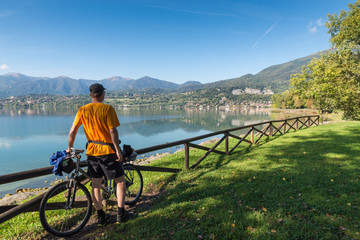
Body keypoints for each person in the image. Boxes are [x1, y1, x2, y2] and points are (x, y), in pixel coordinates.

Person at [67, 83, 132, 225]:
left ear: (91, 95)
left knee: (95, 184)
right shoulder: (107, 109)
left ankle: (101, 216)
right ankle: (121, 214)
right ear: (102, 94)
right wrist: (117, 149)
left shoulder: (82, 110)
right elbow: (113, 131)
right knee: (120, 181)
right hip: (107, 151)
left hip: (91, 152)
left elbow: (72, 131)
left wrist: (69, 147)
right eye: (104, 93)